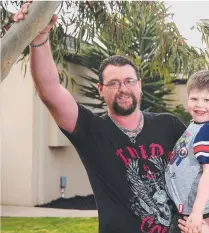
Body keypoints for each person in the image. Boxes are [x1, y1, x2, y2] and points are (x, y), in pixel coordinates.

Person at [13, 3, 187, 233]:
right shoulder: (92, 131)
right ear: (100, 89)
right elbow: (50, 91)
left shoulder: (169, 125)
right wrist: (39, 34)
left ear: (140, 86)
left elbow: (203, 168)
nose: (122, 88)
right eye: (113, 83)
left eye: (129, 81)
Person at [165, 70, 209, 233]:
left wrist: (197, 212)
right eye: (194, 99)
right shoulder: (197, 126)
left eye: (207, 99)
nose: (199, 104)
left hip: (194, 214)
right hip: (185, 210)